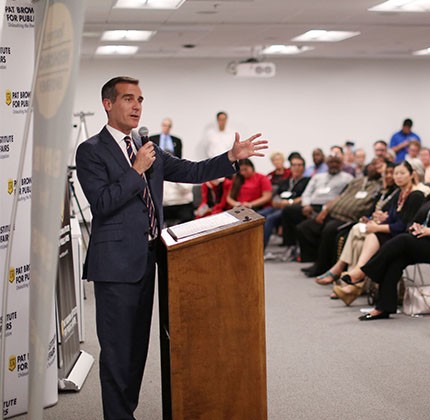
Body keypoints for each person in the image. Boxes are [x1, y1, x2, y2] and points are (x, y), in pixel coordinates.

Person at [75, 76, 267, 420]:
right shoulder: (91, 150)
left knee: (135, 352)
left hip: (150, 259)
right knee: (117, 351)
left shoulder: (146, 147)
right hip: (116, 265)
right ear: (108, 104)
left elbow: (193, 171)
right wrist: (136, 171)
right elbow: (102, 204)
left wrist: (230, 157)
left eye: (140, 99)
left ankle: (125, 412)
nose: (137, 106)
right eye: (129, 99)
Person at [354, 165, 430, 320]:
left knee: (402, 240)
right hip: (421, 242)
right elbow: (412, 221)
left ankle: (364, 272)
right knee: (395, 261)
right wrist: (415, 226)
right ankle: (384, 307)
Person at [328, 162, 426, 305]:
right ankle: (354, 284)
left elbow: (405, 225)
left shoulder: (416, 195)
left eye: (402, 173)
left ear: (411, 175)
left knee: (372, 235)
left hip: (404, 238)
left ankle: (357, 275)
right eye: (396, 173)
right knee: (359, 239)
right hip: (392, 234)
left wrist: (378, 228)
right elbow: (393, 218)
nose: (398, 177)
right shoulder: (399, 194)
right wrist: (381, 219)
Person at [296, 161, 382, 276]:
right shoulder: (357, 181)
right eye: (372, 165)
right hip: (333, 213)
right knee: (305, 227)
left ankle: (321, 267)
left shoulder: (380, 185)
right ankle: (316, 260)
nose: (374, 168)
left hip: (348, 218)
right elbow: (340, 196)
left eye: (377, 166)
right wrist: (325, 210)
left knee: (329, 230)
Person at [281, 154, 353, 260]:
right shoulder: (318, 177)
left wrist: (326, 208)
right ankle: (290, 246)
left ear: (341, 164)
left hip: (329, 208)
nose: (333, 165)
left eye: (336, 163)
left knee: (306, 226)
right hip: (311, 206)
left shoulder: (347, 178)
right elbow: (307, 193)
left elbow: (345, 196)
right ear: (327, 164)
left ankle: (311, 255)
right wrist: (306, 205)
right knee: (288, 210)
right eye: (331, 162)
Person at [150, 118, 193, 225]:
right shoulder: (155, 171)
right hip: (165, 205)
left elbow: (187, 189)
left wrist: (176, 175)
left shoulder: (181, 167)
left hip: (181, 204)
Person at [263, 155, 310, 250]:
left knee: (270, 218)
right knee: (259, 215)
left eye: (299, 165)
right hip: (279, 206)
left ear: (303, 167)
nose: (296, 167)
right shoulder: (286, 181)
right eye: (294, 165)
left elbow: (305, 197)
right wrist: (276, 202)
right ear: (290, 167)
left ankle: (260, 248)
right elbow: (276, 195)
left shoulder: (307, 181)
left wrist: (289, 202)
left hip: (292, 207)